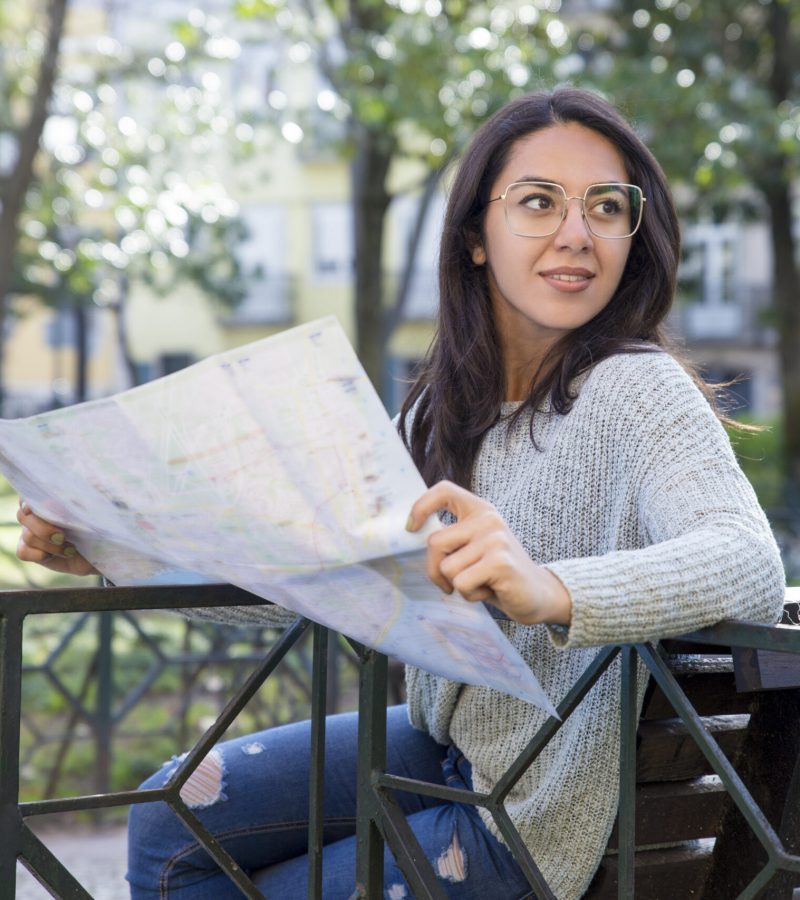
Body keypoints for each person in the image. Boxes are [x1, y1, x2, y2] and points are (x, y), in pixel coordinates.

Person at [16, 85, 786, 899]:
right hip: (448, 749)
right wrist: (112, 551)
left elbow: (745, 560)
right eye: (538, 202)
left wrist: (550, 589)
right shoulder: (441, 409)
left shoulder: (638, 390)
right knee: (171, 817)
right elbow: (315, 568)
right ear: (475, 238)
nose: (576, 233)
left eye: (605, 206)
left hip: (528, 812)